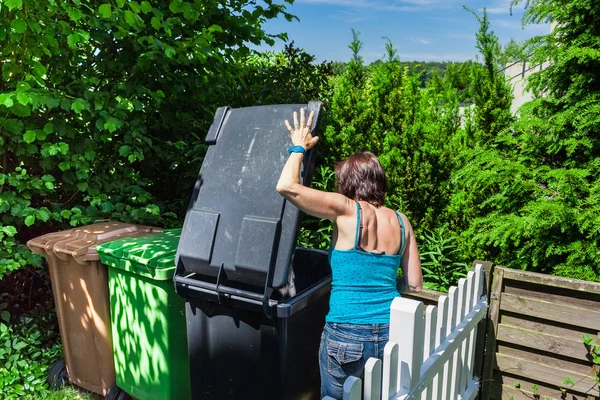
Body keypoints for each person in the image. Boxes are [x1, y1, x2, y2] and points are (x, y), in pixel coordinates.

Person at [276, 108, 423, 399]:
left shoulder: (345, 208)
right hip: (392, 331)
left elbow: (286, 186)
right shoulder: (403, 221)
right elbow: (415, 285)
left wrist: (299, 146)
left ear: (350, 182)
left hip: (347, 335)